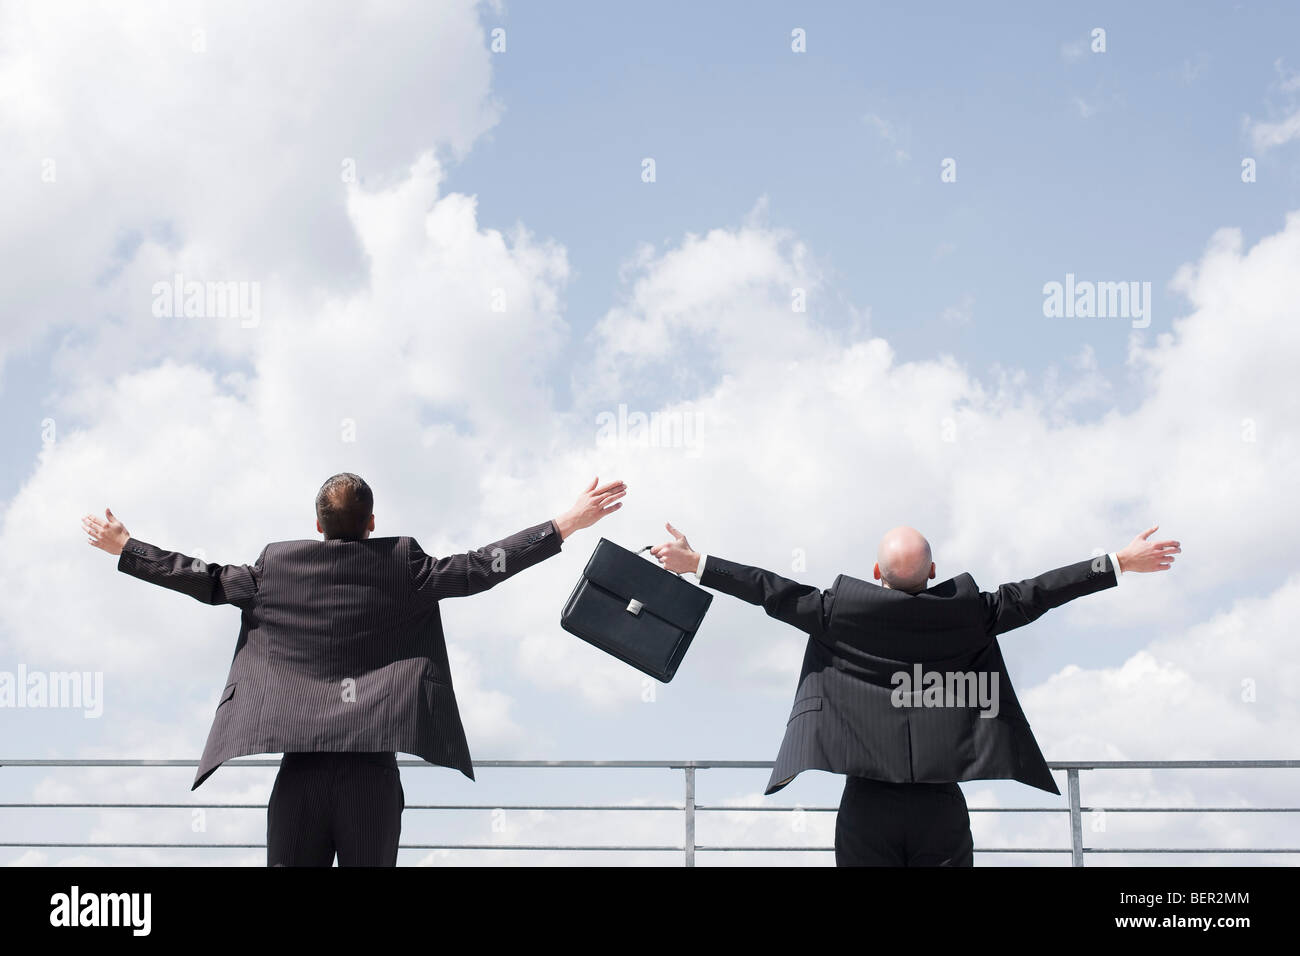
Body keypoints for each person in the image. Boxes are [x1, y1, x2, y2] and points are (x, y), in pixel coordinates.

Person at [81, 474, 626, 866]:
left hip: (302, 776)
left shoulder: (275, 567)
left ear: (316, 524)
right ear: (371, 523)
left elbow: (205, 578)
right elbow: (482, 566)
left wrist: (127, 547)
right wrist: (566, 523)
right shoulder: (404, 565)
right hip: (372, 776)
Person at [651, 521, 1179, 866]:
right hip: (940, 803)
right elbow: (1041, 592)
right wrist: (1116, 561)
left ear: (876, 573)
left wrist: (696, 562)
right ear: (933, 573)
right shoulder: (973, 611)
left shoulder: (839, 611)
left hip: (866, 803)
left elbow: (769, 590)